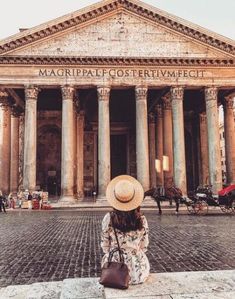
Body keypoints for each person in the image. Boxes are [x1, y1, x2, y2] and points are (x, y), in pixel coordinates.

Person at [101, 175, 150, 285]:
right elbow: (144, 245)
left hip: (114, 270)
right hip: (138, 272)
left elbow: (105, 246)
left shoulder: (108, 218)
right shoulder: (141, 219)